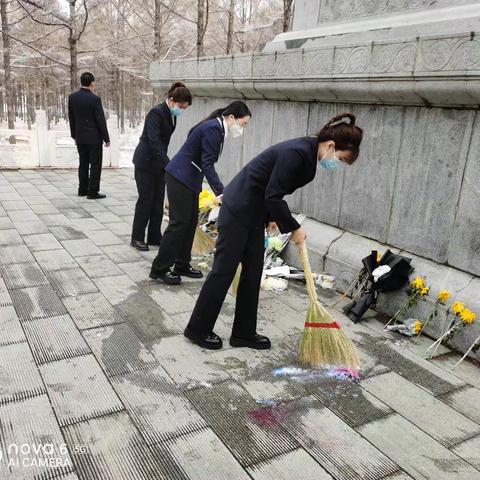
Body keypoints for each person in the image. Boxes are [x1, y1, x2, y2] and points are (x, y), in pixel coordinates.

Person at [184, 112, 364, 350]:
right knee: (223, 271)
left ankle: (243, 333)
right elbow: (273, 194)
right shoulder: (298, 153)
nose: (337, 163)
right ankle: (197, 328)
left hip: (254, 213)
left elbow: (270, 188)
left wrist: (271, 218)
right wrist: (294, 227)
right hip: (238, 209)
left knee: (253, 272)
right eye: (340, 158)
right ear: (331, 145)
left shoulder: (308, 156)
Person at [149, 101, 252, 285]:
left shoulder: (217, 128)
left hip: (189, 178)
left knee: (189, 223)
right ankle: (160, 268)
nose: (242, 129)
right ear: (231, 118)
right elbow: (207, 163)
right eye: (243, 124)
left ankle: (182, 263)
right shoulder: (214, 129)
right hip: (180, 177)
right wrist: (221, 192)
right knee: (178, 224)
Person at [131, 82, 193, 251]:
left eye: (184, 108)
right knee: (145, 199)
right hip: (145, 161)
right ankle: (137, 237)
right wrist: (169, 163)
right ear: (172, 100)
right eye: (181, 106)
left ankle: (154, 235)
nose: (181, 110)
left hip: (158, 163)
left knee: (158, 200)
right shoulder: (156, 113)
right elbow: (154, 141)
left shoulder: (171, 114)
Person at [68, 72, 110, 199]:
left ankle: (82, 189)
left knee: (83, 163)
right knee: (95, 165)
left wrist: (74, 135)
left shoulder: (72, 97)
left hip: (80, 137)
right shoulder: (95, 99)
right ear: (92, 83)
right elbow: (100, 120)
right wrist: (106, 138)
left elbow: (71, 117)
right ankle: (92, 191)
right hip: (94, 138)